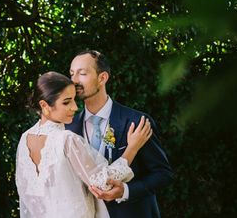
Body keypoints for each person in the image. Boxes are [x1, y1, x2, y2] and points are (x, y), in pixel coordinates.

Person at [15, 71, 155, 218]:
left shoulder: (25, 139)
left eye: (74, 100)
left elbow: (28, 199)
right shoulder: (67, 140)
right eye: (66, 102)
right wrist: (132, 148)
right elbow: (103, 184)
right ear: (44, 105)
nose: (75, 107)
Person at [68, 50, 173, 218]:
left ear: (102, 78)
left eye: (82, 73)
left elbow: (162, 174)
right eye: (72, 74)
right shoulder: (68, 127)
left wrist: (126, 191)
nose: (74, 81)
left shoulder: (136, 121)